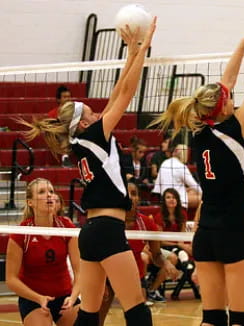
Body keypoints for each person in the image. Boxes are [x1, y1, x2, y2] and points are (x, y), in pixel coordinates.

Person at [150, 25, 244, 326]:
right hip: (235, 232)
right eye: (229, 98)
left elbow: (225, 83)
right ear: (222, 108)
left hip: (206, 234)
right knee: (243, 319)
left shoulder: (198, 129)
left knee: (212, 318)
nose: (233, 98)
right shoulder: (234, 127)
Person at [18, 19, 157, 326]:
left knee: (90, 314)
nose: (98, 113)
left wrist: (132, 49)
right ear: (83, 123)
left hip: (91, 231)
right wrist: (144, 48)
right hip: (107, 229)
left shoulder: (85, 139)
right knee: (136, 308)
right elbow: (128, 93)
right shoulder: (94, 135)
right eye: (91, 112)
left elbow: (119, 89)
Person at [98, 181, 177, 325]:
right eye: (127, 193)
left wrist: (166, 263)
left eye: (134, 194)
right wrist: (100, 282)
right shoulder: (109, 222)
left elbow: (156, 255)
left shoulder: (146, 223)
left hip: (134, 276)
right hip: (108, 275)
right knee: (97, 318)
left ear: (138, 198)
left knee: (139, 317)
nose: (130, 197)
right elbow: (98, 254)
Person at [6, 178, 80, 326]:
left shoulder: (66, 227)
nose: (49, 195)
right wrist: (39, 298)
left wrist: (73, 297)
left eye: (51, 191)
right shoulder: (22, 232)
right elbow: (11, 279)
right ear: (30, 202)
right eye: (42, 192)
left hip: (64, 295)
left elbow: (80, 272)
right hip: (33, 298)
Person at [152, 144, 202, 209]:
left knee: (192, 191)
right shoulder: (181, 167)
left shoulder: (165, 162)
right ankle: (197, 218)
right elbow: (195, 186)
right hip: (176, 200)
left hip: (163, 197)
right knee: (204, 198)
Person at [48, 85, 73, 167]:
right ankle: (65, 158)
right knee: (61, 132)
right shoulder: (52, 113)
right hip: (58, 137)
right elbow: (50, 129)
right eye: (65, 97)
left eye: (69, 97)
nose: (68, 99)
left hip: (72, 135)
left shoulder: (75, 111)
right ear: (59, 99)